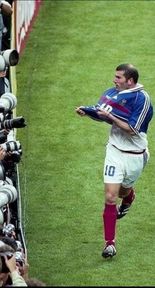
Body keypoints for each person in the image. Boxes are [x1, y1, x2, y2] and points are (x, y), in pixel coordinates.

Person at [75, 63, 153, 258]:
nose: (114, 80)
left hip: (135, 155)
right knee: (110, 196)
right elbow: (102, 114)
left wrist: (110, 116)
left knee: (123, 192)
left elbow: (133, 129)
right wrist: (88, 112)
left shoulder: (142, 100)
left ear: (130, 81)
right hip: (114, 152)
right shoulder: (113, 93)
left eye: (118, 78)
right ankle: (110, 244)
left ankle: (129, 197)